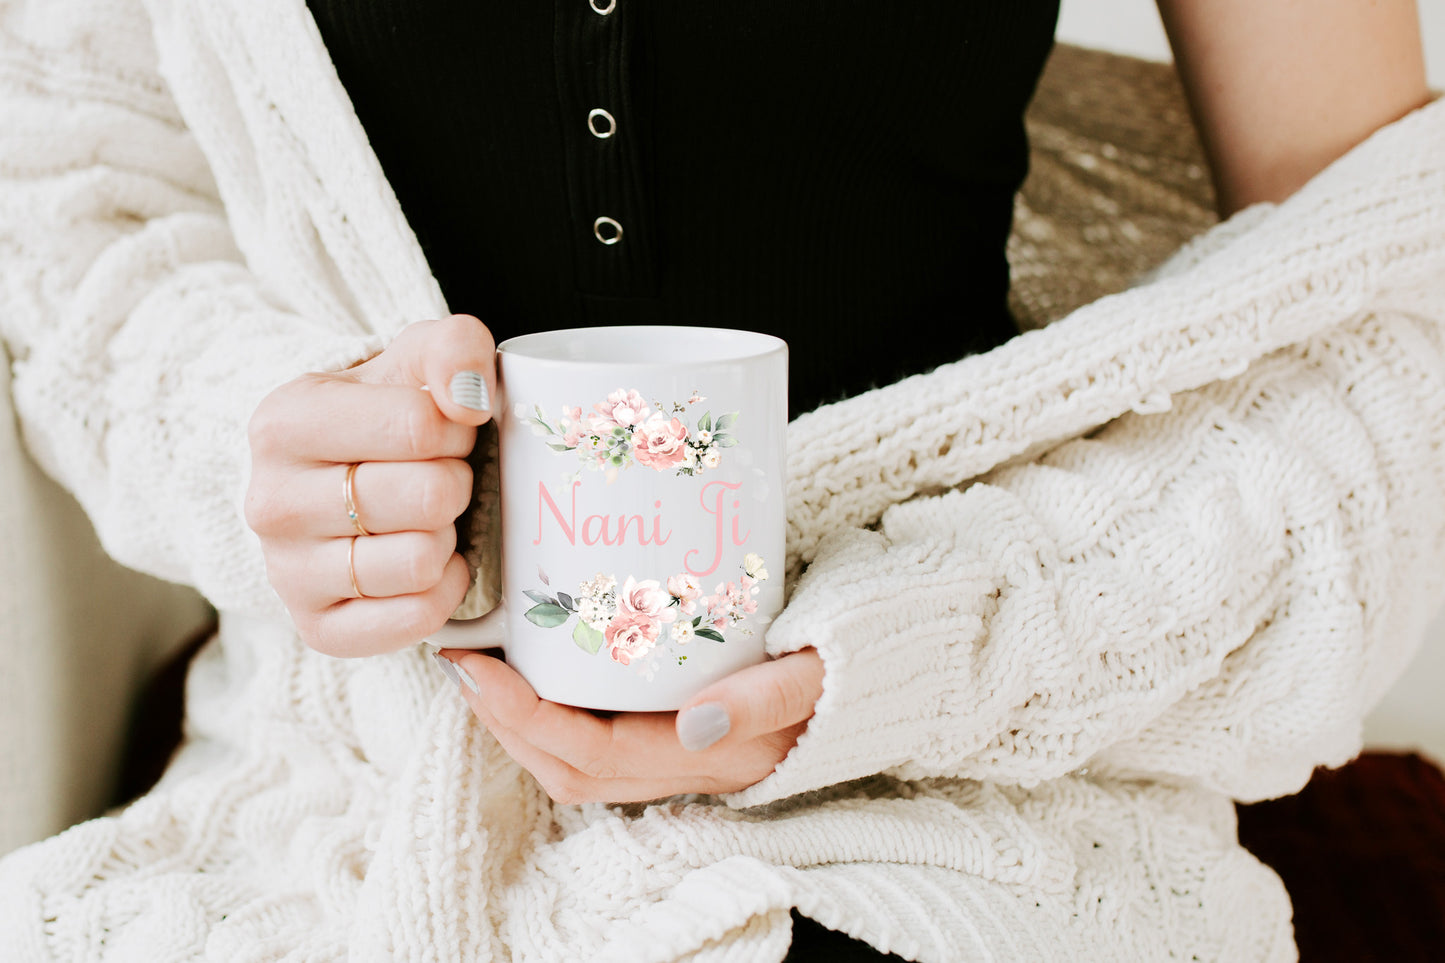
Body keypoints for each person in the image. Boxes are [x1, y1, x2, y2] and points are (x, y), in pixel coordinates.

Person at [0, 0, 1440, 959]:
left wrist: (928, 654)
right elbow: (74, 211)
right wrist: (274, 439)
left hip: (976, 796)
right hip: (338, 800)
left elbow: (1390, 331)